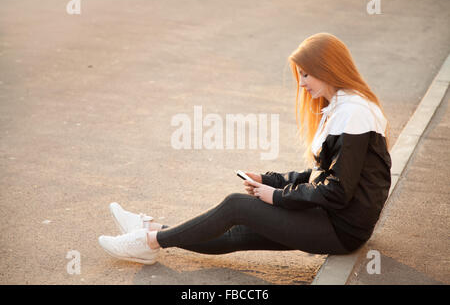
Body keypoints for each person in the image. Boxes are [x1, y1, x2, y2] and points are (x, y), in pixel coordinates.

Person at [98, 33, 392, 265]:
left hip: (342, 228)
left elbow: (338, 190)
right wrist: (272, 180)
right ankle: (150, 229)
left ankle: (147, 241)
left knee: (236, 205)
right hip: (333, 220)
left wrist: (277, 197)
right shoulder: (343, 107)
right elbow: (323, 175)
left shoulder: (354, 112)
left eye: (306, 75)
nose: (301, 84)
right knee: (234, 234)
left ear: (327, 68)